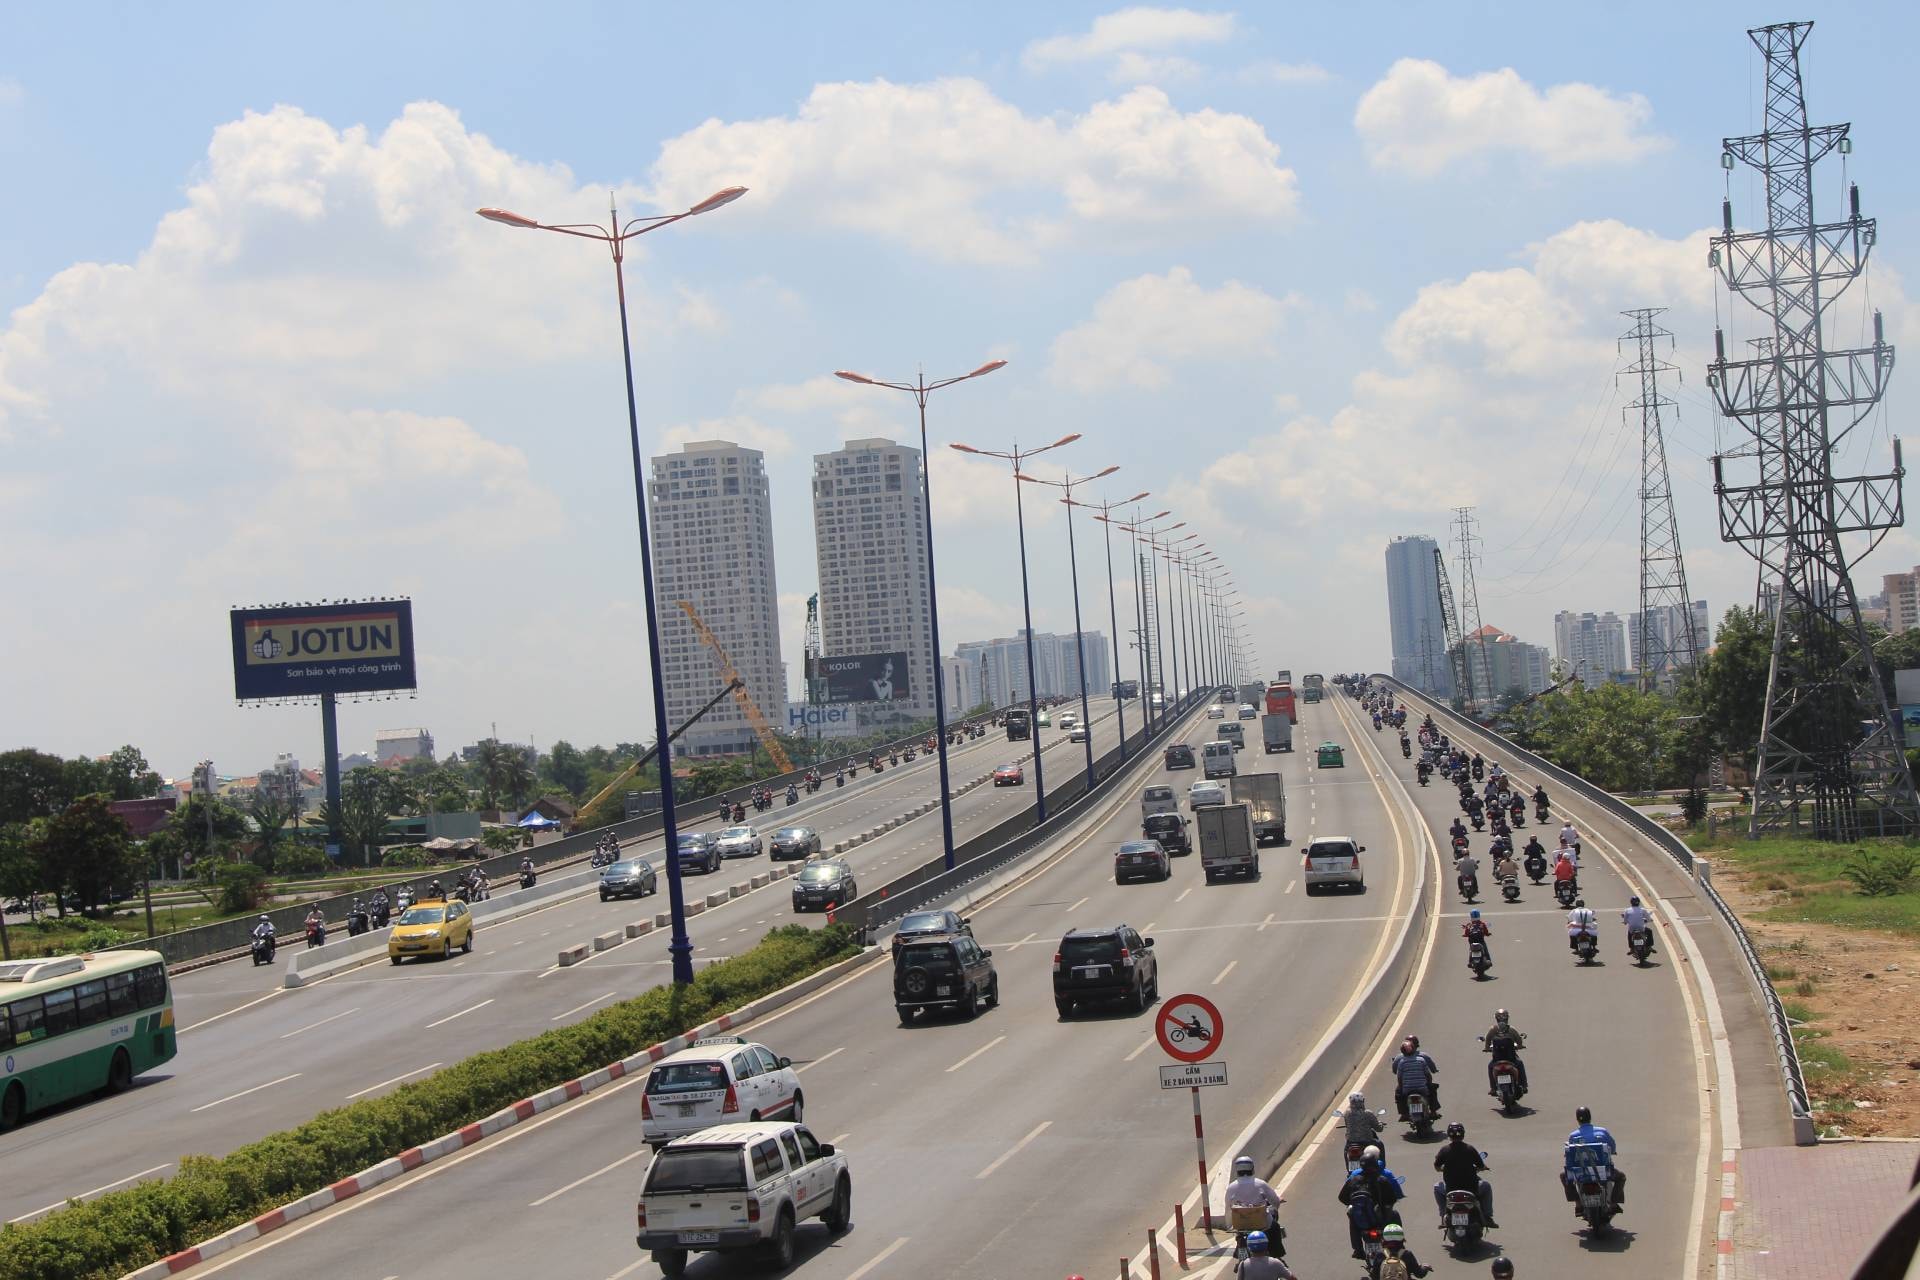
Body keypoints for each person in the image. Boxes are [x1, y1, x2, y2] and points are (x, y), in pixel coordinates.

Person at [1338, 1149, 1403, 1259]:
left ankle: (1358, 1250)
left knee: (1352, 1216)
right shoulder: (1381, 1179)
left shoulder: (1354, 1180)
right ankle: (1399, 1244)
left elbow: (1342, 1197)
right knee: (1395, 1214)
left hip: (1361, 1221)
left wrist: (1354, 1205)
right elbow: (1391, 1199)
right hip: (1379, 1220)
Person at [1432, 1123, 1498, 1228]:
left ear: (1449, 1135)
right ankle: (1487, 1217)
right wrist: (1482, 1168)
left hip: (1451, 1191)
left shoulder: (1444, 1150)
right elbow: (1480, 1166)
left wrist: (1443, 1169)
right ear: (1463, 1134)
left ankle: (1443, 1215)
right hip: (1471, 1190)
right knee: (1486, 1186)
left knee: (1436, 1187)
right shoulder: (1470, 1149)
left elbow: (1436, 1167)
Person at [1562, 1106, 1626, 1209]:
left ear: (1577, 1119)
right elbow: (1612, 1146)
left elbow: (1570, 1154)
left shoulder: (1573, 1136)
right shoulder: (1602, 1132)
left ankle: (1578, 1203)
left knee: (1564, 1176)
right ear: (1590, 1117)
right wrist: (1613, 1151)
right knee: (1621, 1177)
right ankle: (1613, 1203)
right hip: (1603, 1172)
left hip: (1581, 1173)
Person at [1225, 1154, 1284, 1240]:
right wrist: (1277, 1202)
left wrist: (1230, 1224)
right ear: (1252, 1169)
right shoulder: (1260, 1184)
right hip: (1262, 1224)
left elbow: (1228, 1207)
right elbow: (1275, 1202)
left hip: (1240, 1225)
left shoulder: (1231, 1187)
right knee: (1275, 1228)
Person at [1390, 1037, 1440, 1120]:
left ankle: (1404, 1114)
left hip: (1407, 1090)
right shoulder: (1422, 1059)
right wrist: (1429, 1083)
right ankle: (1433, 1111)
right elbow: (1428, 1074)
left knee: (1398, 1094)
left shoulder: (1401, 1061)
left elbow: (1399, 1076)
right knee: (1432, 1090)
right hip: (1422, 1088)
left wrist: (1402, 1087)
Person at [1481, 1009, 1528, 1094]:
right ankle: (1524, 1085)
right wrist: (1520, 1046)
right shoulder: (1511, 1029)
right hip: (1511, 1058)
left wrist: (1487, 1048)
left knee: (1490, 1066)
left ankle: (1493, 1088)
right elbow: (1519, 1040)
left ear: (1496, 1019)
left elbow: (1487, 1041)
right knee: (1520, 1064)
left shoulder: (1492, 1029)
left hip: (1497, 1059)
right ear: (1507, 1018)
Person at [1340, 1090, 1387, 1163]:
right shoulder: (1368, 1113)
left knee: (1346, 1151)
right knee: (1380, 1144)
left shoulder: (1347, 1113)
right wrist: (1380, 1124)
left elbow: (1347, 1125)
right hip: (1367, 1142)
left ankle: (1348, 1166)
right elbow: (1379, 1129)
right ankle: (1382, 1165)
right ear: (1362, 1101)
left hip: (1351, 1142)